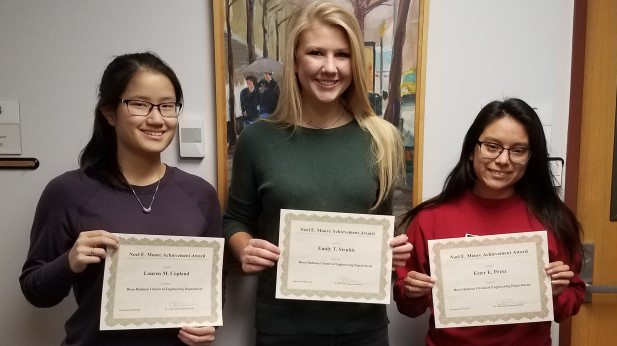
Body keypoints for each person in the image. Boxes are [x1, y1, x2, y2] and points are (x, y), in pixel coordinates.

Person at [223, 2, 411, 345]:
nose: (329, 67)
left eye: (342, 54)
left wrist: (391, 250)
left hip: (363, 329)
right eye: (315, 53)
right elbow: (235, 219)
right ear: (295, 60)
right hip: (282, 328)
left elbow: (381, 228)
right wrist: (244, 247)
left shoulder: (382, 139)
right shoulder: (258, 139)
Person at [19, 52, 222, 346]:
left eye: (167, 106)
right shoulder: (67, 192)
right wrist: (69, 261)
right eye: (140, 104)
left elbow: (214, 286)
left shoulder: (201, 194)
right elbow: (34, 291)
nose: (156, 118)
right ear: (110, 113)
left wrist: (209, 322)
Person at [393, 98, 586, 346]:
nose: (503, 160)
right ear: (472, 150)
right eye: (492, 146)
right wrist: (412, 292)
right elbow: (408, 306)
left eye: (518, 150)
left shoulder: (552, 218)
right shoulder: (430, 218)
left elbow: (572, 300)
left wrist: (557, 293)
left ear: (531, 158)